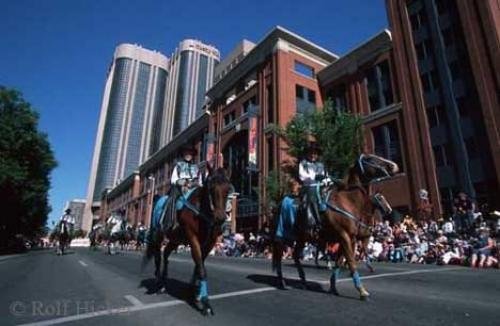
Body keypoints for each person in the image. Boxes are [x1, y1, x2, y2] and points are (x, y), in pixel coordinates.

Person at [162, 145, 203, 230]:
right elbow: (173, 179)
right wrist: (183, 183)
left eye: (190, 153)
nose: (188, 154)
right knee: (173, 199)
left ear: (192, 155)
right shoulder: (178, 165)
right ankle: (170, 223)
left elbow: (200, 182)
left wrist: (193, 184)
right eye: (186, 153)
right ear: (183, 154)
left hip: (193, 188)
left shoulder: (196, 168)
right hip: (180, 188)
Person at [298, 140, 328, 229]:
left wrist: (326, 180)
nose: (313, 155)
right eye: (311, 153)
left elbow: (325, 175)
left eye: (315, 153)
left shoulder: (320, 165)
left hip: (320, 187)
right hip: (309, 187)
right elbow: (302, 176)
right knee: (312, 195)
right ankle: (315, 221)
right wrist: (313, 176)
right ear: (307, 154)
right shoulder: (303, 164)